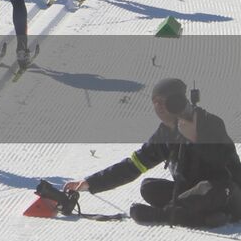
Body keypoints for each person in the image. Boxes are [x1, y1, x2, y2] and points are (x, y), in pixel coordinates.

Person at [64, 78, 241, 227]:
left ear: (178, 101)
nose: (159, 107)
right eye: (155, 102)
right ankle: (201, 217)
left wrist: (195, 140)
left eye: (164, 101)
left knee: (211, 187)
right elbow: (134, 164)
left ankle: (163, 216)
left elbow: (222, 163)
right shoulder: (165, 133)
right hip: (190, 194)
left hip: (228, 193)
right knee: (148, 187)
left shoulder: (209, 122)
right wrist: (91, 182)